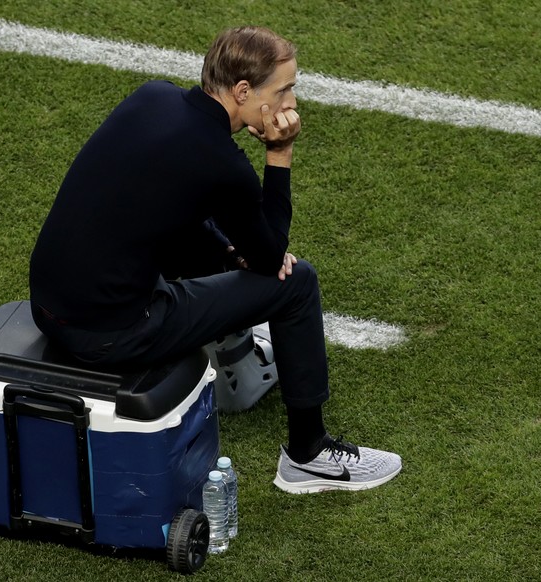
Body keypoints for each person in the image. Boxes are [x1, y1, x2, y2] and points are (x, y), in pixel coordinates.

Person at [29, 26, 401, 493]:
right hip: (114, 333)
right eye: (283, 91)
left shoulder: (153, 97)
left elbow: (176, 210)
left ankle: (239, 369)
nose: (291, 105)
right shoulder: (222, 162)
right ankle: (308, 454)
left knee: (218, 243)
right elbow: (270, 257)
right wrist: (279, 152)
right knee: (297, 282)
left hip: (48, 309)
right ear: (243, 91)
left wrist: (230, 254)